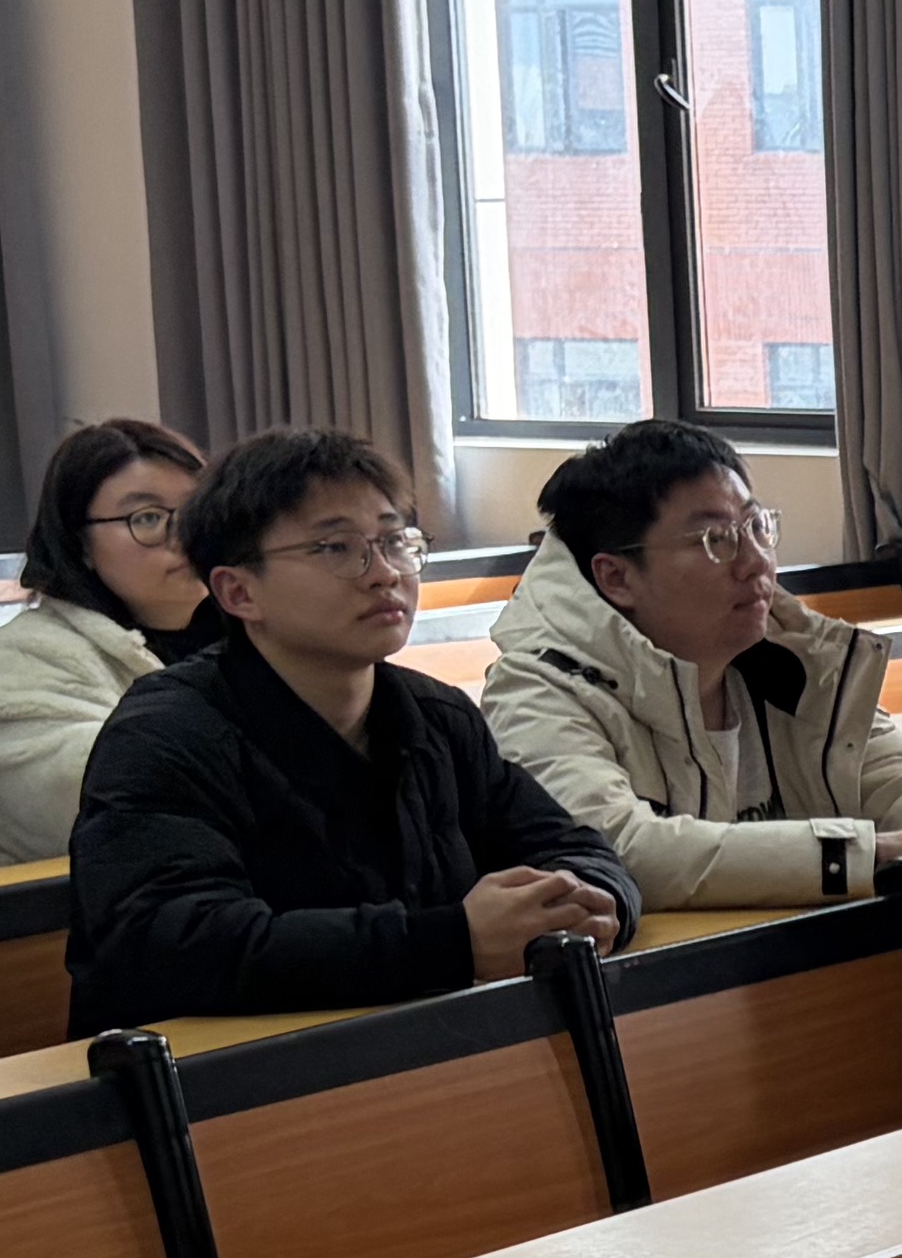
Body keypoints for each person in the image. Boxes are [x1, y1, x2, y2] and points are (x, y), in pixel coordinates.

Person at [67, 430, 634, 1033]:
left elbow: (573, 847)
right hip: (207, 1075)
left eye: (394, 541)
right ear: (238, 591)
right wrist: (451, 942)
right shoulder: (163, 736)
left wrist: (594, 903)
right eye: (336, 548)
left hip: (419, 1051)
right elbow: (179, 944)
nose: (383, 573)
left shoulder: (437, 716)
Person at [483, 421, 902, 909]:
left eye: (757, 527)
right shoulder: (535, 692)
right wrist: (872, 854)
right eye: (716, 539)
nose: (757, 561)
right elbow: (617, 849)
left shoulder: (793, 664)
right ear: (617, 578)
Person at [0, 417, 212, 871]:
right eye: (147, 518)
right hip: (47, 905)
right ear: (80, 545)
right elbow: (101, 805)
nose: (183, 540)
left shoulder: (261, 633)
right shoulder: (22, 659)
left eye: (196, 514)